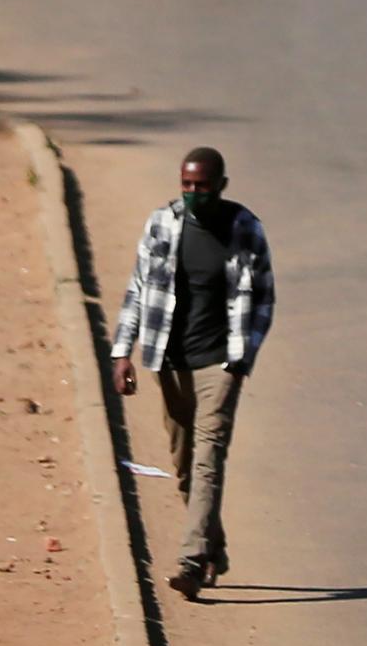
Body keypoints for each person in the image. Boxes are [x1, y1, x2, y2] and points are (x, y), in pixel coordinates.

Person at [109, 147, 276, 600]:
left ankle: (191, 559)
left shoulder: (244, 229)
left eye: (202, 186)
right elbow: (138, 288)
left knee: (209, 456)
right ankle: (213, 548)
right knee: (184, 463)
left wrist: (243, 358)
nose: (194, 193)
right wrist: (122, 352)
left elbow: (263, 298)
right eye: (187, 185)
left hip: (220, 362)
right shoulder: (164, 223)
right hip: (170, 360)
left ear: (221, 185)